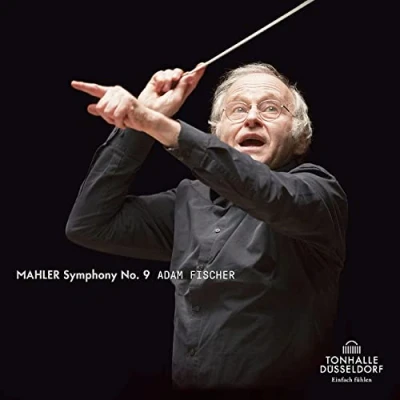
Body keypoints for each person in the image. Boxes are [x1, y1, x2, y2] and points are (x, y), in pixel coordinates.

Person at [65, 62, 348, 395]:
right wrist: (138, 127)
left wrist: (158, 125)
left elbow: (266, 191)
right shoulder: (188, 200)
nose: (252, 118)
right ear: (217, 132)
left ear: (300, 137)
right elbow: (90, 224)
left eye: (271, 108)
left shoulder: (319, 192)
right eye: (237, 109)